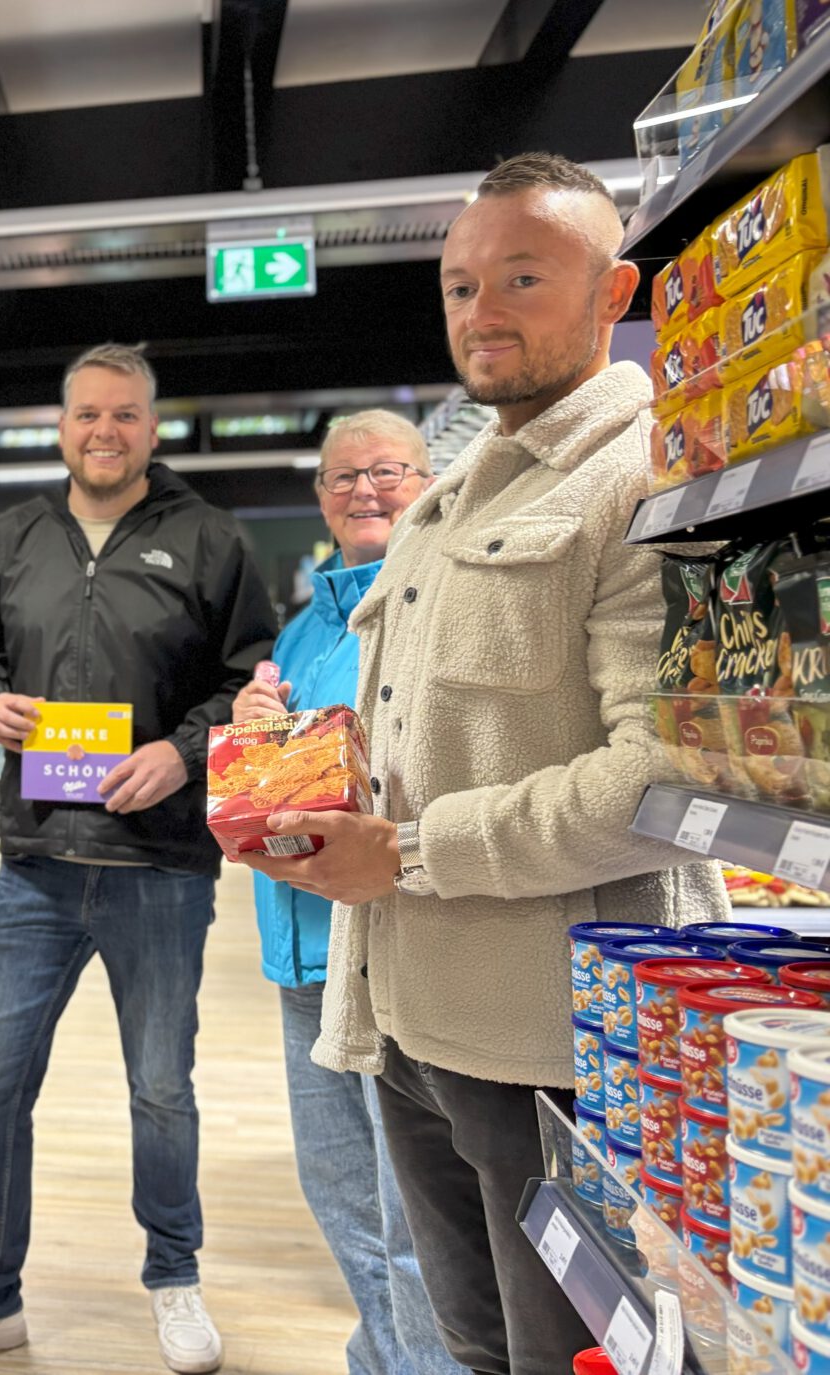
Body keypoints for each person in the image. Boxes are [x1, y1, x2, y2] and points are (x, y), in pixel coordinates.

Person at [236, 153, 729, 1374]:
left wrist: (401, 851)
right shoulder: (446, 503)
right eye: (461, 285)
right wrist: (307, 776)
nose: (482, 311)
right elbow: (423, 725)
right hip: (411, 1023)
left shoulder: (651, 480)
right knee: (465, 1341)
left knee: (568, 1354)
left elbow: (661, 779)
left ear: (614, 291)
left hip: (554, 1050)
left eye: (522, 277)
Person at [0, 343, 278, 1374]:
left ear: (152, 426)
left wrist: (179, 756)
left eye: (126, 415)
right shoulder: (12, 538)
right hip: (37, 865)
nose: (106, 431)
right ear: (63, 426)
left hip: (162, 867)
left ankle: (173, 1279)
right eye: (88, 414)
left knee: (160, 1088)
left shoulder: (212, 540)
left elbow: (248, 685)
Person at [231, 410, 459, 1375]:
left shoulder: (440, 601)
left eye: (388, 472)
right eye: (343, 477)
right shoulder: (304, 622)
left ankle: (424, 1363)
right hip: (298, 950)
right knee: (342, 1192)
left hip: (386, 947)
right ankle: (386, 1355)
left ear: (428, 481)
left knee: (413, 1211)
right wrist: (254, 724)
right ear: (320, 496)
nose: (364, 490)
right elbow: (280, 774)